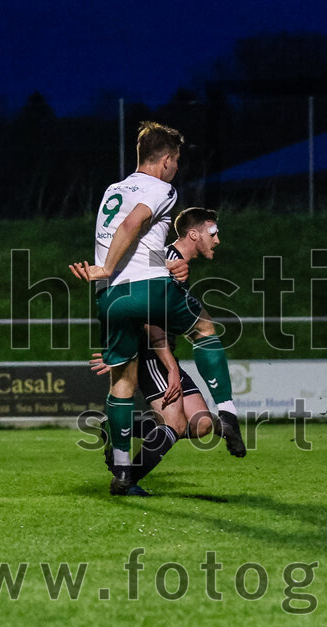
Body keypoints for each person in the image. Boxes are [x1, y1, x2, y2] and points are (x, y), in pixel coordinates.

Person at [70, 122, 244, 496]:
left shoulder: (113, 190)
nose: (177, 167)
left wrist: (110, 273)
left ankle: (122, 473)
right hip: (145, 291)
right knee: (204, 330)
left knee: (123, 384)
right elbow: (134, 225)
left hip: (109, 298)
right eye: (177, 160)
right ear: (166, 159)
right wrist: (109, 266)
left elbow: (134, 235)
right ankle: (228, 410)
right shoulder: (161, 188)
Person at [89, 208, 229, 495]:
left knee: (202, 424)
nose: (217, 240)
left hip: (164, 353)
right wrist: (167, 367)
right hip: (153, 353)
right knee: (175, 424)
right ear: (194, 234)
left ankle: (119, 427)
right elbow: (151, 323)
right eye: (213, 233)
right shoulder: (165, 260)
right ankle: (126, 481)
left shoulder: (169, 262)